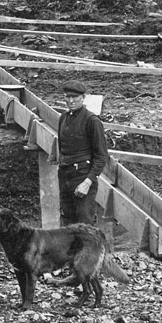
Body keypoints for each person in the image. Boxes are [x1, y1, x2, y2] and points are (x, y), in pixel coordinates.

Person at [56, 80, 109, 226]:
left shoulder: (92, 121)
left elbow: (101, 156)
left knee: (84, 224)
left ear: (83, 97)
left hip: (82, 176)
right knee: (67, 223)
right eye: (68, 97)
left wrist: (88, 182)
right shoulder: (63, 118)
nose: (71, 101)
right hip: (65, 175)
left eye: (75, 97)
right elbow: (62, 148)